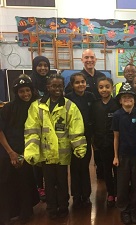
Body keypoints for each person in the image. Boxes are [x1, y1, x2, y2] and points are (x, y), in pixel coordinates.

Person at [24, 74, 87, 219]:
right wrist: (32, 151)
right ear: (48, 87)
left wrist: (79, 148)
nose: (57, 88)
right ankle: (52, 208)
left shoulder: (69, 106)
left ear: (63, 87)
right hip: (45, 154)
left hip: (62, 154)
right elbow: (31, 131)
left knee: (62, 182)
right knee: (49, 183)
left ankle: (63, 207)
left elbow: (76, 129)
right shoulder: (36, 106)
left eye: (59, 86)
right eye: (53, 86)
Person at [0, 75, 39, 224]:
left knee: (25, 181)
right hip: (8, 151)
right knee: (6, 183)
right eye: (22, 91)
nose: (25, 94)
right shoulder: (8, 108)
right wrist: (11, 153)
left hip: (26, 152)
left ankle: (25, 211)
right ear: (16, 92)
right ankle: (6, 215)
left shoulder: (34, 107)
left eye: (28, 90)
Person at [112, 83, 136, 225]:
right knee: (122, 183)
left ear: (134, 99)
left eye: (130, 97)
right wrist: (115, 156)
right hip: (122, 155)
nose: (127, 99)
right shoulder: (117, 115)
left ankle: (134, 207)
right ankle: (124, 209)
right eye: (124, 97)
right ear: (120, 100)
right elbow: (116, 137)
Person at [65, 72, 96, 209]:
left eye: (82, 82)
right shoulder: (67, 99)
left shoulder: (91, 97)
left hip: (87, 137)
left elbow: (94, 116)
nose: (80, 84)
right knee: (74, 167)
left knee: (84, 167)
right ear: (72, 85)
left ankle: (86, 195)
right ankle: (76, 196)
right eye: (77, 82)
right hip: (71, 138)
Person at [91, 77, 119, 207]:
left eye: (107, 86)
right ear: (98, 89)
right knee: (106, 170)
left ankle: (119, 191)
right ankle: (111, 193)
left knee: (118, 170)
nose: (104, 89)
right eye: (101, 87)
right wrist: (94, 142)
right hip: (102, 144)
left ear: (112, 88)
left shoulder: (117, 104)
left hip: (118, 144)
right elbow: (93, 124)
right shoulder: (95, 105)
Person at [30, 55, 52, 201]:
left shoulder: (51, 82)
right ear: (35, 66)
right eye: (40, 65)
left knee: (49, 157)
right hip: (35, 124)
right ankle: (39, 187)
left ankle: (51, 185)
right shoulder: (30, 83)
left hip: (50, 124)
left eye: (46, 65)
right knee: (37, 159)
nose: (43, 68)